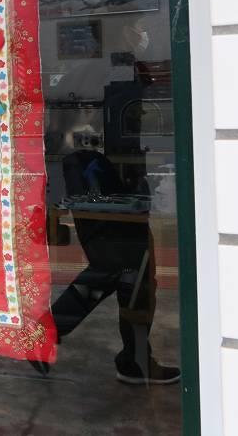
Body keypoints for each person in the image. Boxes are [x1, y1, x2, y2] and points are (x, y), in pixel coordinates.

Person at [40, 149, 180, 385]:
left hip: (107, 224)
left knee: (109, 278)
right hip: (115, 224)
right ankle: (134, 361)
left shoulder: (87, 160)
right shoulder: (92, 160)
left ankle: (47, 333)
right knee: (129, 282)